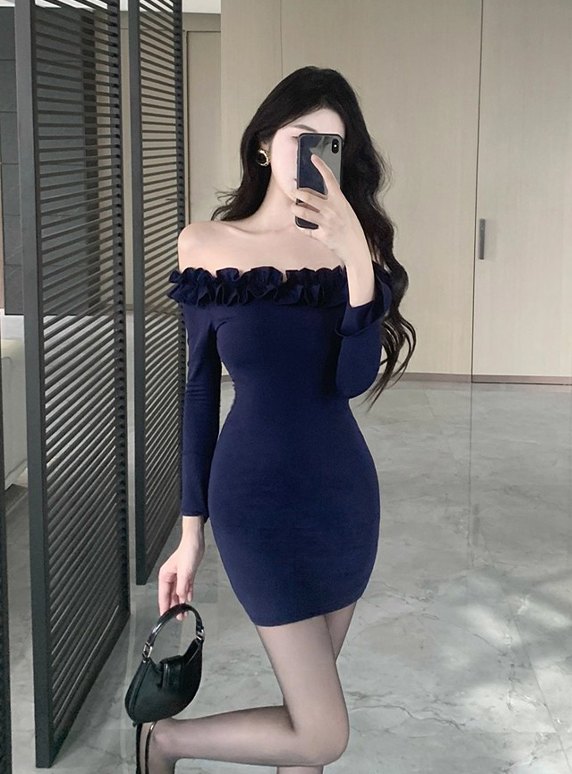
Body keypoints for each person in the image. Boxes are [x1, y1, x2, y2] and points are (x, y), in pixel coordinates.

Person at [136, 66, 415, 774]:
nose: (314, 155)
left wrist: (355, 260)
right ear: (265, 142)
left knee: (307, 723)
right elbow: (199, 392)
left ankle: (166, 743)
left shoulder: (357, 249)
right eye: (301, 137)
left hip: (343, 501)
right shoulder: (206, 244)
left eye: (331, 143)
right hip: (255, 503)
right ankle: (166, 740)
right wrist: (189, 535)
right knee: (321, 732)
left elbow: (350, 382)